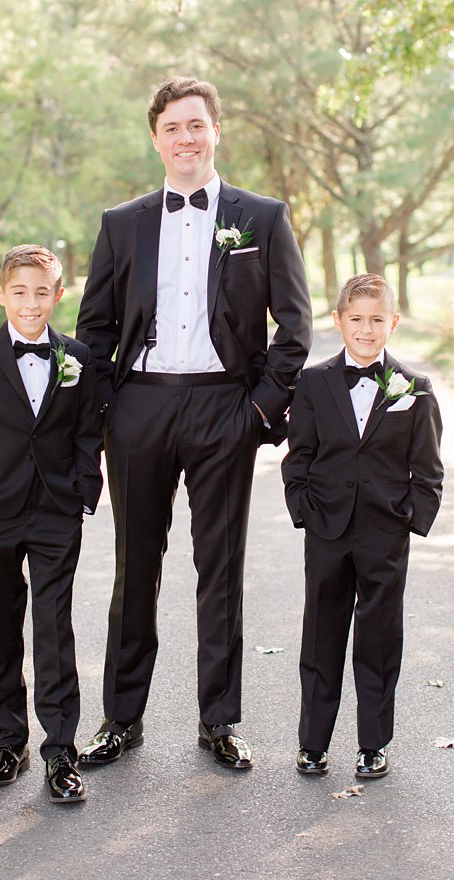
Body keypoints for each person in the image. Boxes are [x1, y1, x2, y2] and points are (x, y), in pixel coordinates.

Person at [75, 76, 313, 771]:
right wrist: (110, 409)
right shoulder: (121, 223)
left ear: (217, 131)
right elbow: (95, 330)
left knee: (221, 567)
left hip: (224, 407)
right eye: (173, 127)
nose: (186, 137)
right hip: (140, 406)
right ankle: (122, 719)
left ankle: (218, 719)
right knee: (134, 568)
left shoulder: (261, 218)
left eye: (197, 125)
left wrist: (259, 410)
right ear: (156, 138)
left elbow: (294, 329)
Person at [0, 244, 103, 802]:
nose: (31, 303)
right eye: (20, 292)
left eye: (41, 293)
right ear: (1, 294)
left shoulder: (77, 357)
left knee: (55, 627)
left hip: (57, 510)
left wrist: (86, 489)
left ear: (58, 295)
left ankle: (61, 750)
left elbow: (87, 433)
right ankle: (9, 741)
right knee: (2, 627)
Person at [282, 273, 443, 779]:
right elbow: (299, 455)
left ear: (392, 323)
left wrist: (409, 520)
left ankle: (373, 743)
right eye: (356, 320)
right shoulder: (312, 382)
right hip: (326, 528)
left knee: (378, 637)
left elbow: (429, 468)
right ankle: (313, 742)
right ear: (339, 322)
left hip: (384, 532)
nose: (367, 330)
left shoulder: (414, 387)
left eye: (377, 320)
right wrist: (303, 508)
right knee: (321, 633)